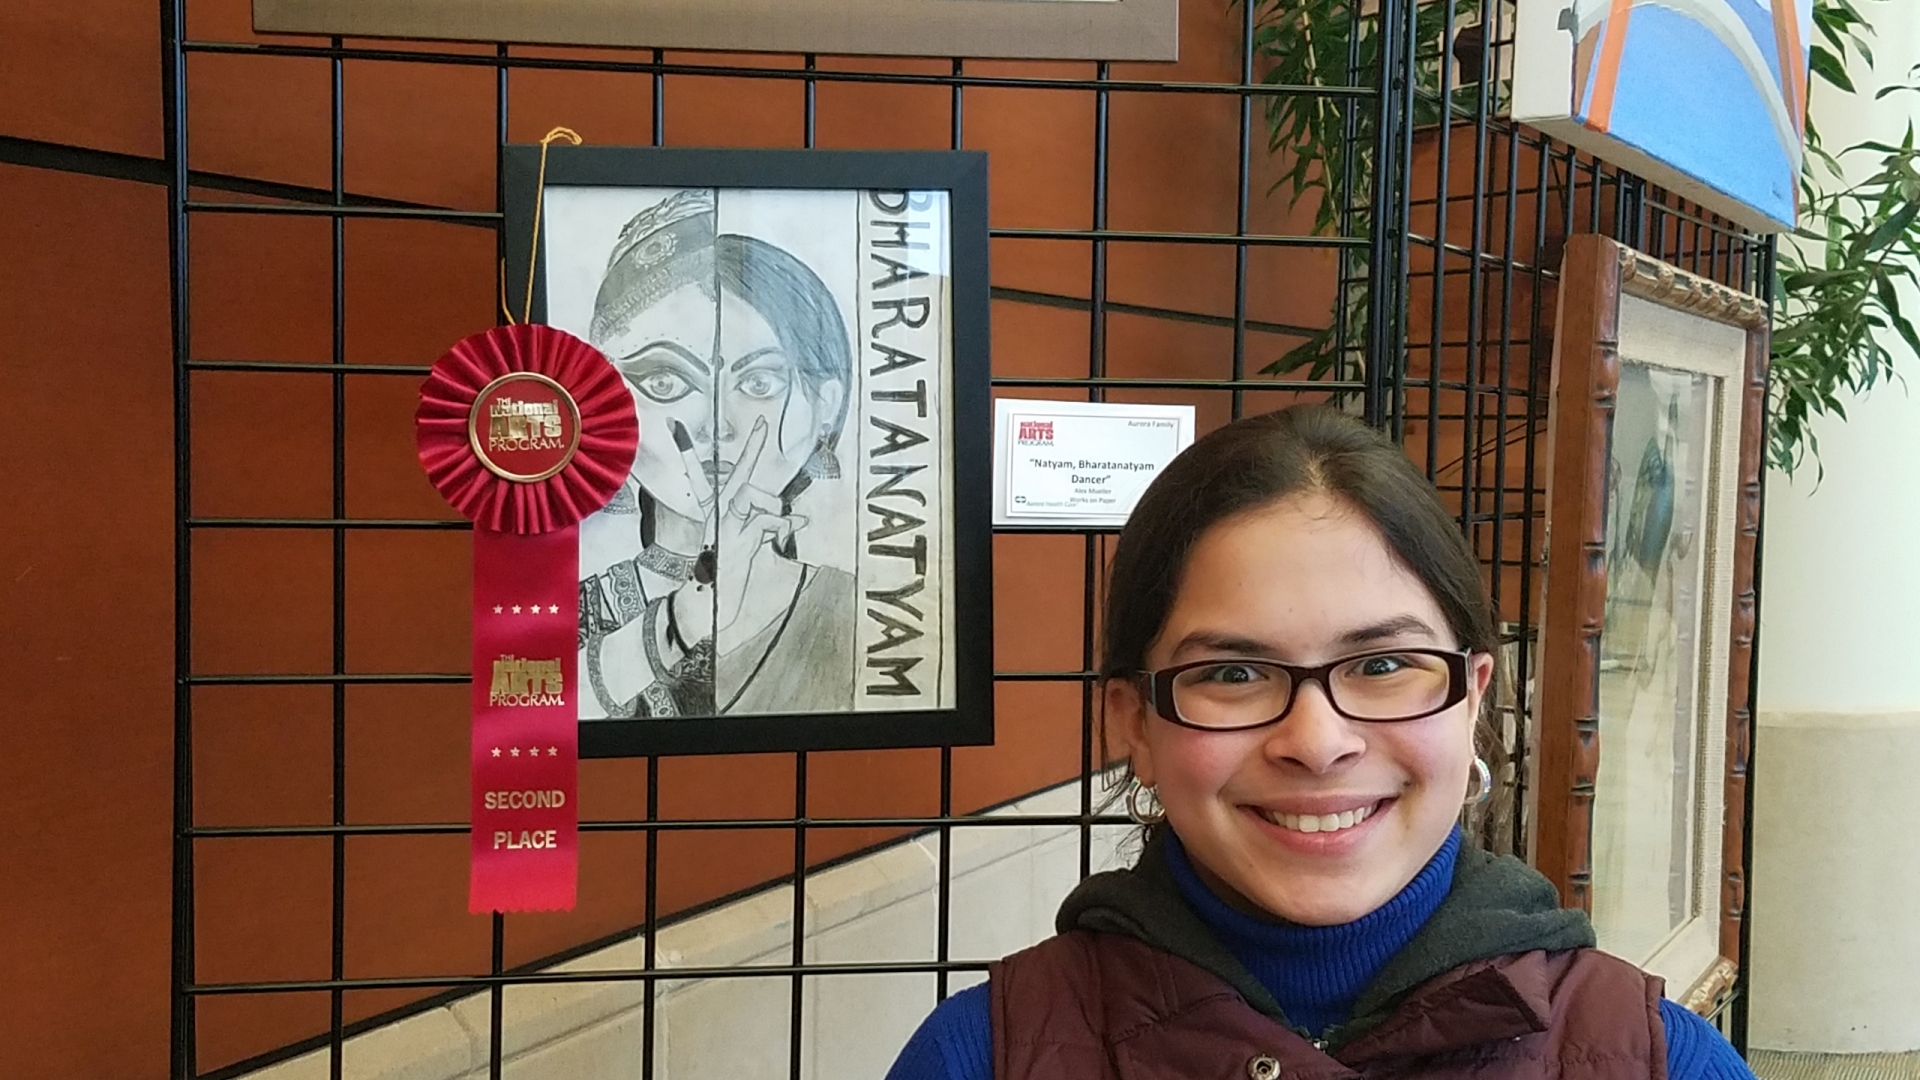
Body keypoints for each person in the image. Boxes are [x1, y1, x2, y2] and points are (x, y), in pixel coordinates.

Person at [885, 405, 1753, 1080]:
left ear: (1473, 697)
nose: (1316, 740)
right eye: (1231, 674)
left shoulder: (1650, 1058)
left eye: (1382, 663)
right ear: (1133, 725)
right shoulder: (983, 1057)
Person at [577, 189, 858, 720]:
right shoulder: (578, 609)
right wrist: (689, 614)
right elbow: (529, 727)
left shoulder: (859, 614)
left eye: (758, 381)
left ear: (825, 405)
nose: (716, 425)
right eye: (666, 381)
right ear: (602, 404)